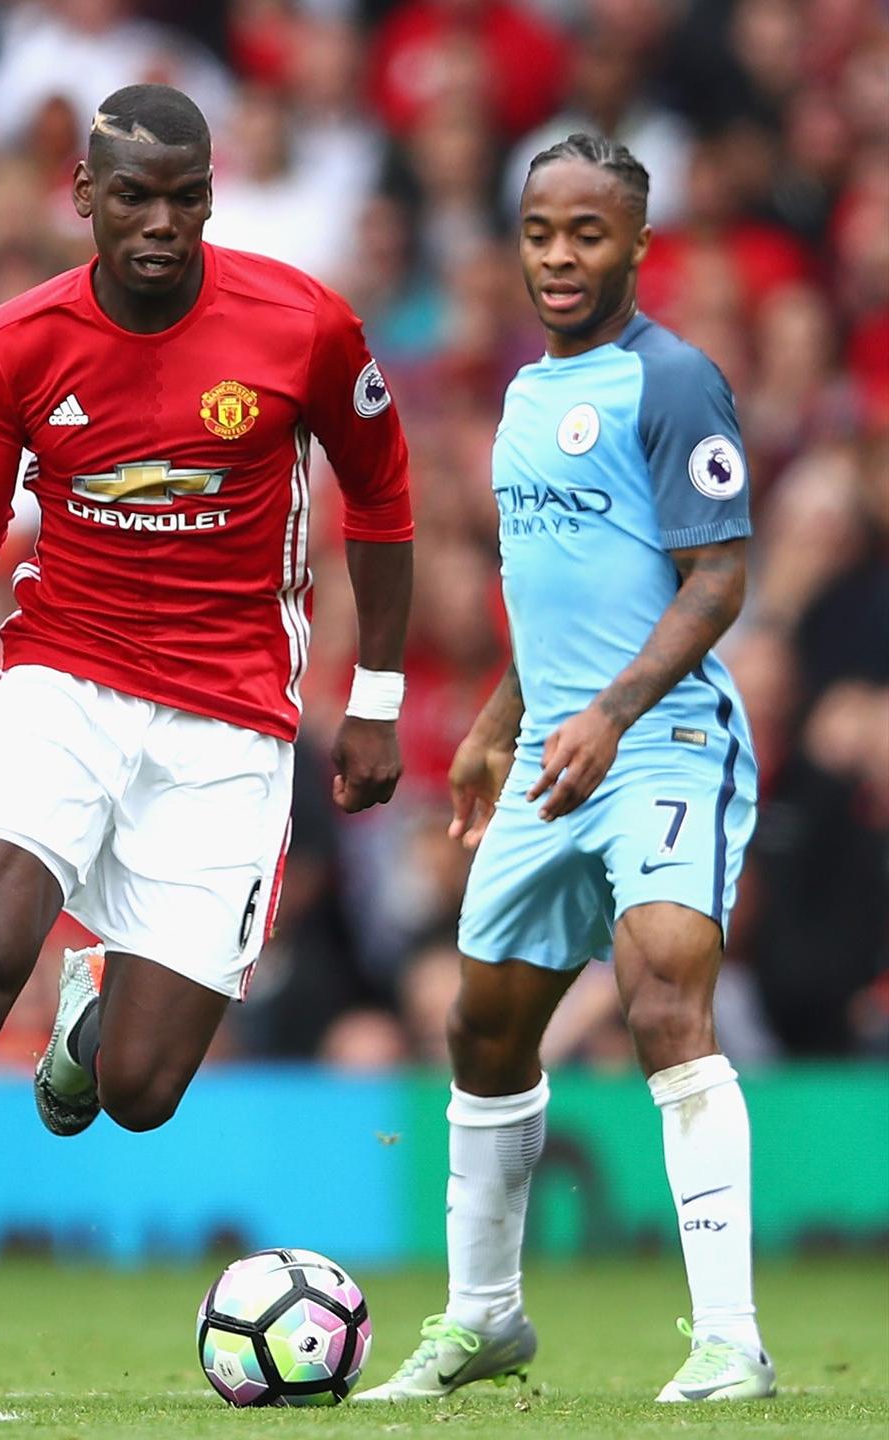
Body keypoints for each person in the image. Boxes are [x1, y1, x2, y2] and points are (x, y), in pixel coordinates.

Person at [0, 83, 415, 1411]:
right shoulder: (16, 341)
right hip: (62, 680)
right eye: (134, 197)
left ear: (212, 199)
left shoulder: (302, 325)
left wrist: (380, 695)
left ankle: (93, 1019)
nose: (161, 223)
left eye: (185, 198)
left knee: (139, 1091)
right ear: (83, 197)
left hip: (230, 718)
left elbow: (384, 490)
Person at [359, 134, 772, 1406]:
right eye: (539, 232)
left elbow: (717, 579)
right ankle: (484, 1317)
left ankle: (731, 1342)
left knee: (662, 994)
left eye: (586, 233)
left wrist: (609, 711)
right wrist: (499, 723)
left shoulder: (674, 380)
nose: (557, 256)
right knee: (482, 1027)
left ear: (636, 243)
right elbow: (559, 601)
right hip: (554, 747)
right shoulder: (524, 398)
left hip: (664, 738)